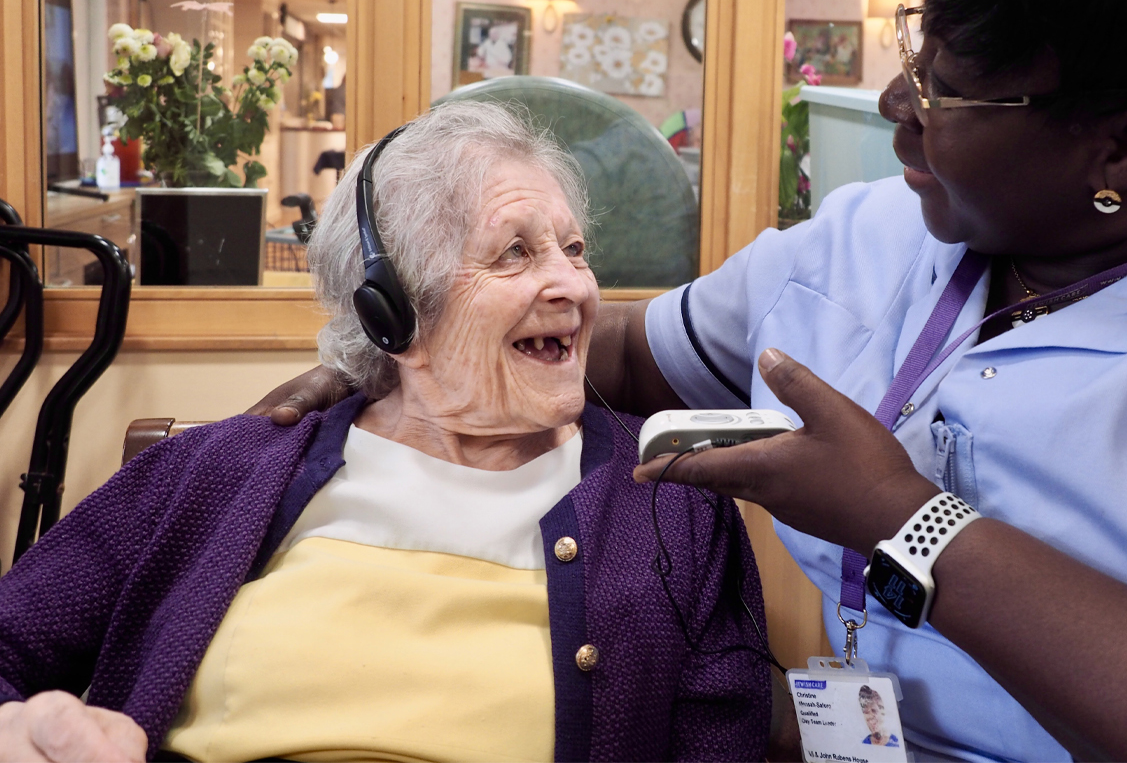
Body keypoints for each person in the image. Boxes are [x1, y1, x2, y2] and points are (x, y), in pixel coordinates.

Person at [258, 0, 1127, 761]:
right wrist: (403, 365)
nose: (894, 105)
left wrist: (903, 519)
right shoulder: (869, 241)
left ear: (1123, 149)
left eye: (949, 90)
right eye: (918, 51)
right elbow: (630, 356)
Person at [0, 102, 770, 763]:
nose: (572, 285)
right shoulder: (215, 471)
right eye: (515, 252)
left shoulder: (671, 507)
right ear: (391, 308)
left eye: (574, 250)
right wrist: (22, 725)